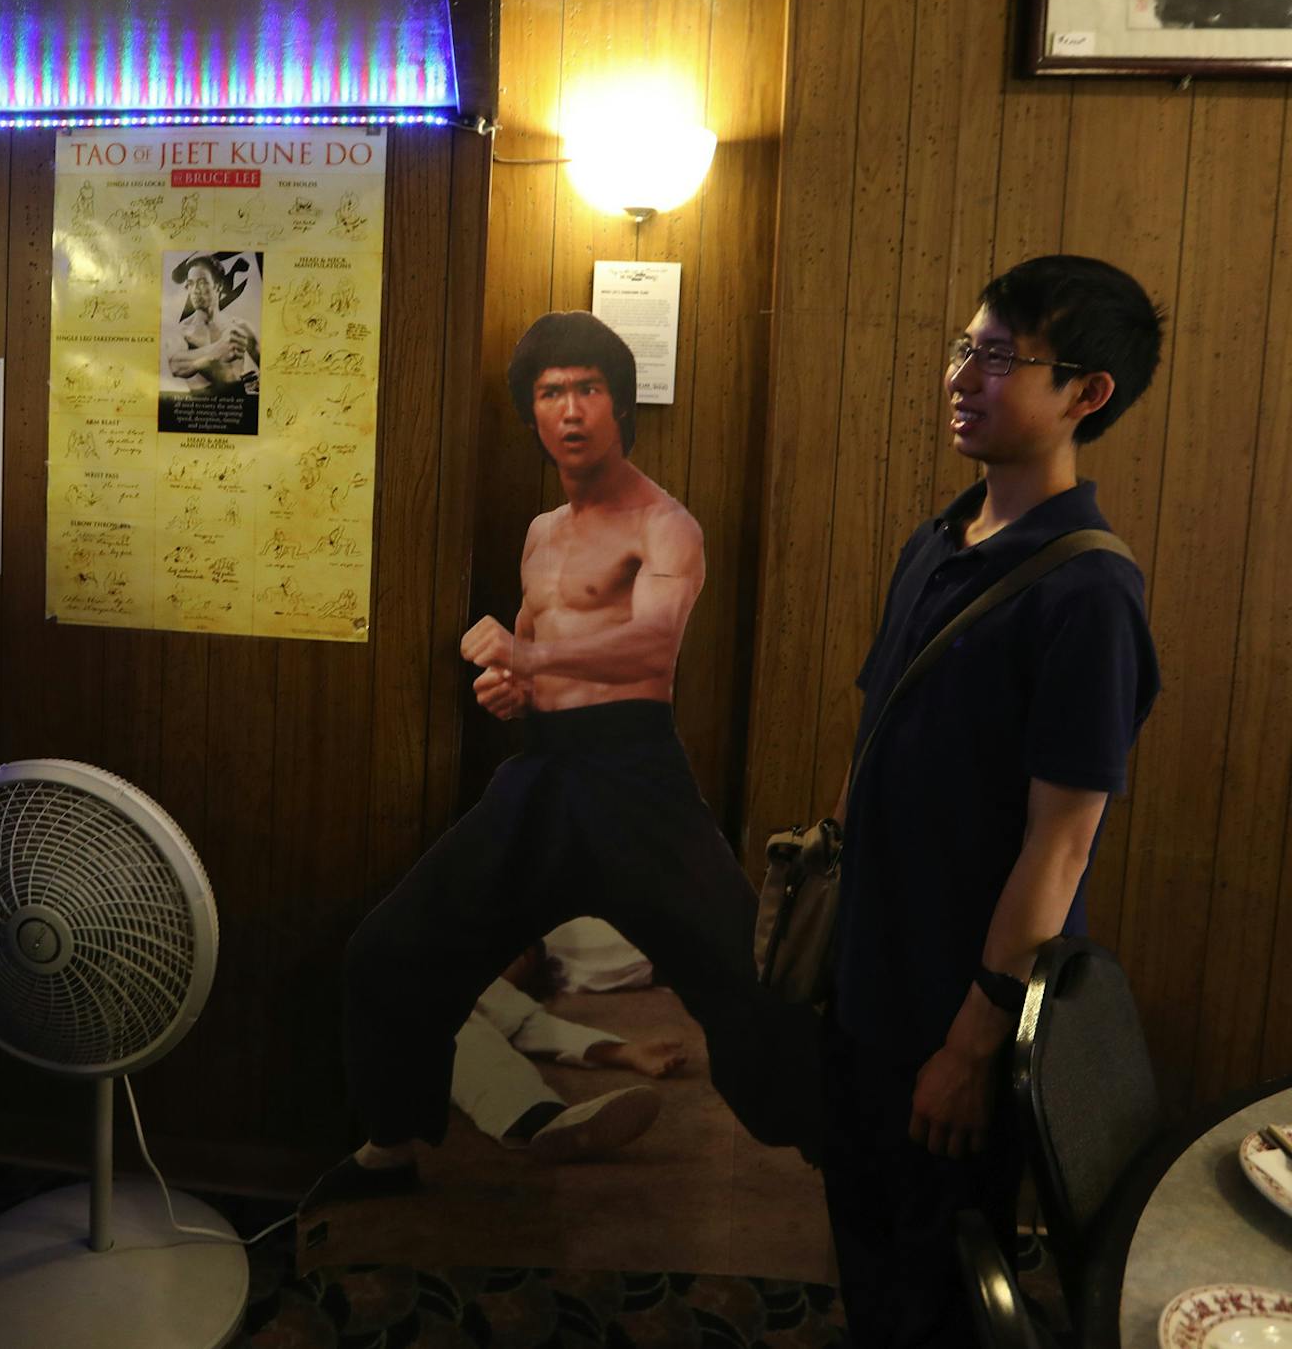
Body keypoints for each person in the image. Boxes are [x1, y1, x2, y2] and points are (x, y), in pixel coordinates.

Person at [302, 311, 821, 1214]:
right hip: (543, 774)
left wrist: (531, 656)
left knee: (747, 977)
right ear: (531, 412)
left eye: (589, 389)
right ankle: (390, 1145)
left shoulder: (666, 524)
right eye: (551, 393)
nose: (571, 409)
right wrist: (511, 688)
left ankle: (835, 1140)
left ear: (620, 406)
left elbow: (651, 641)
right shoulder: (543, 533)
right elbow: (531, 658)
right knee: (391, 947)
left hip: (636, 780)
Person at [822, 255, 1161, 1346]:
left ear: (1087, 392)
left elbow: (1060, 845)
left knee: (937, 1284)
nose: (964, 376)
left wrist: (972, 1045)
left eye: (1004, 357)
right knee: (867, 1252)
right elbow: (879, 740)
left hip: (958, 1008)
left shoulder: (1089, 591)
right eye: (966, 346)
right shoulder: (940, 538)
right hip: (868, 987)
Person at [449, 941, 684, 1161]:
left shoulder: (497, 1001)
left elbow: (531, 1026)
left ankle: (539, 1120)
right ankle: (536, 1119)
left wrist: (626, 1051)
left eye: (520, 956)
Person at [164, 251, 259, 399]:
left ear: (219, 286)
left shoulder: (240, 328)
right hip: (200, 409)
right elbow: (175, 366)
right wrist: (217, 350)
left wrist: (260, 380)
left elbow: (273, 368)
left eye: (202, 283)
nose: (195, 290)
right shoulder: (182, 332)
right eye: (191, 284)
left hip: (237, 406)